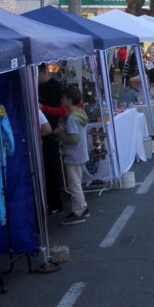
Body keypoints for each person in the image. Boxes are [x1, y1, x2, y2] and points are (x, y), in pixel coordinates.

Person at [55, 86, 89, 225]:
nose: (61, 100)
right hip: (80, 153)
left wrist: (60, 133)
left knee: (74, 184)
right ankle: (82, 207)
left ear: (69, 100)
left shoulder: (72, 118)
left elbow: (73, 139)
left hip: (73, 154)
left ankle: (78, 211)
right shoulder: (80, 113)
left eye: (63, 98)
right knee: (77, 183)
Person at [38, 63, 65, 215]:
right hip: (40, 133)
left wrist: (59, 125)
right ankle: (46, 202)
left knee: (51, 169)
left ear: (43, 71)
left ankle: (56, 203)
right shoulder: (34, 86)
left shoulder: (54, 86)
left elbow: (63, 110)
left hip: (51, 134)